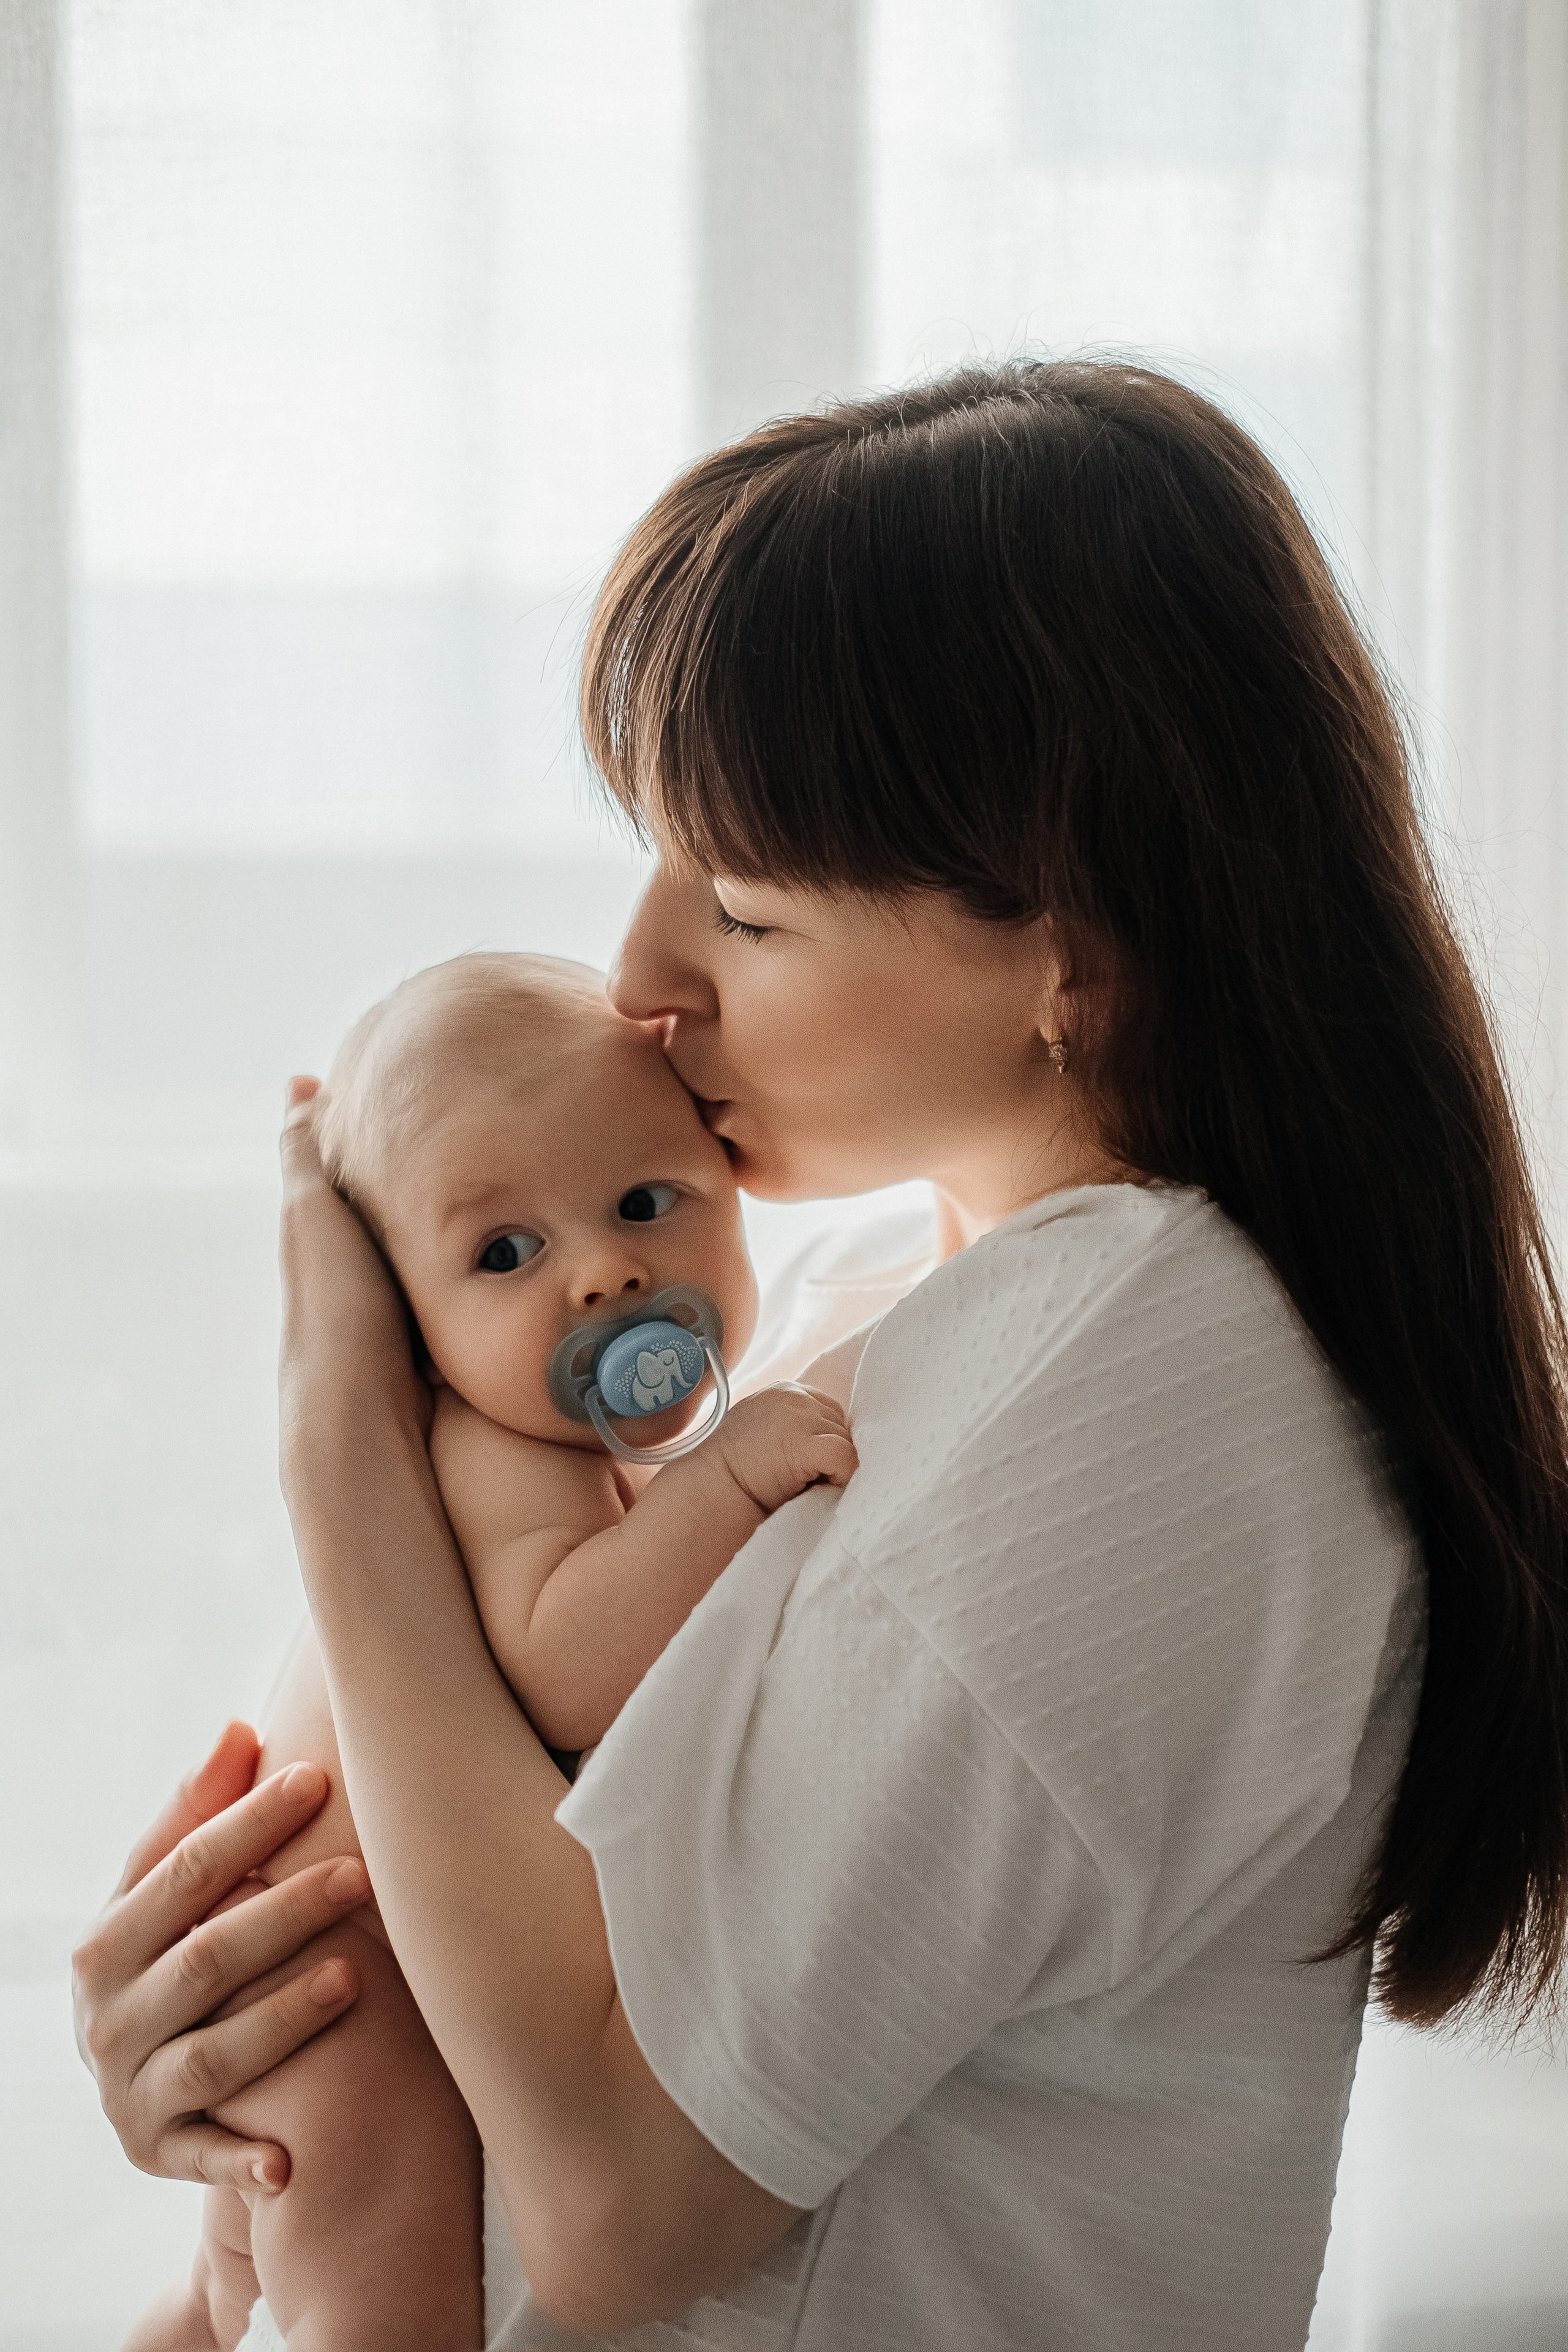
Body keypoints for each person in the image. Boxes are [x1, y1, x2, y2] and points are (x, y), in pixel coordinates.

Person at [74, 360, 1568, 2351]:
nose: (639, 982)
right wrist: (255, 2038)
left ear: (1076, 955)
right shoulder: (896, 1294)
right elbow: (545, 1915)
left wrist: (345, 1471)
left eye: (749, 911)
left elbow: (621, 2214)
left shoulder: (1136, 1376)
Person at [123, 951, 855, 2350]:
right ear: (406, 1326)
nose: (605, 1271)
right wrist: (729, 1486)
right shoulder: (495, 1457)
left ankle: (195, 2316)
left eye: (647, 1201)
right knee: (379, 2299)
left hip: (354, 1945)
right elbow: (560, 1659)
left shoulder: (571, 1444)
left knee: (253, 2264)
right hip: (347, 1977)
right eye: (503, 1253)